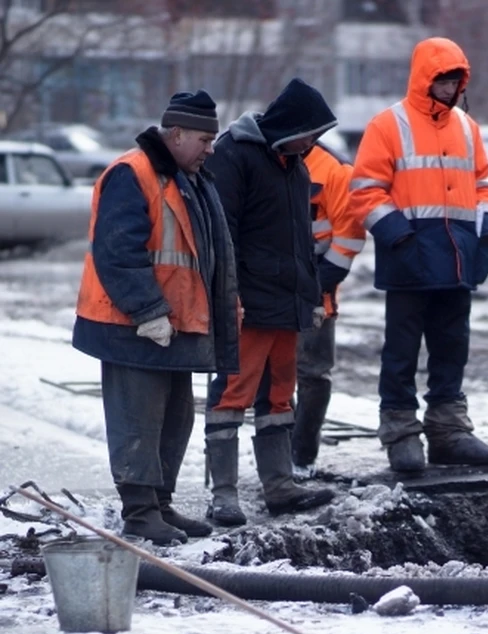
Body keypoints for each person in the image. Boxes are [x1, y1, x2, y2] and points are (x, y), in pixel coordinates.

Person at [72, 90, 240, 545]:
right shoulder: (133, 174)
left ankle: (159, 504)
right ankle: (140, 511)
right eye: (205, 140)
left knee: (174, 418)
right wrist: (148, 310)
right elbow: (117, 252)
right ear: (177, 133)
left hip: (173, 326)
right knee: (138, 419)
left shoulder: (188, 178)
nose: (211, 149)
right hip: (134, 326)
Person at [346, 37, 488, 472]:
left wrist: (484, 231)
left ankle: (448, 431)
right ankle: (400, 432)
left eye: (456, 82)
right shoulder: (387, 125)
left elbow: (485, 185)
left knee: (452, 347)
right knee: (401, 352)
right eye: (444, 81)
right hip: (410, 259)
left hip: (456, 257)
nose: (451, 90)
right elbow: (364, 191)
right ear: (425, 79)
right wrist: (399, 236)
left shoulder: (468, 129)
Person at [203, 78, 340, 526]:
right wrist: (230, 296)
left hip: (287, 306)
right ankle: (223, 493)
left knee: (280, 396)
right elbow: (221, 235)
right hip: (248, 306)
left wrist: (312, 296)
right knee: (230, 396)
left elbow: (302, 241)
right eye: (310, 134)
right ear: (289, 125)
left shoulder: (296, 167)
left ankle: (279, 485)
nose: (313, 143)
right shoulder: (234, 156)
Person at [253, 139, 365, 478]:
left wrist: (315, 288)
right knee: (273, 374)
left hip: (317, 285)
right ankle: (280, 454)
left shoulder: (335, 170)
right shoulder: (264, 160)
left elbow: (348, 240)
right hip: (271, 283)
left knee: (313, 373)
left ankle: (302, 454)